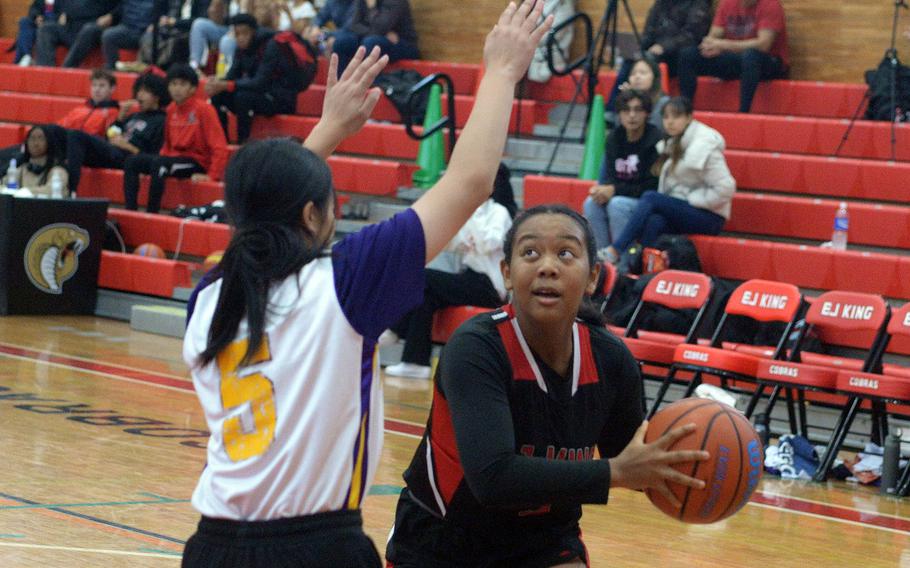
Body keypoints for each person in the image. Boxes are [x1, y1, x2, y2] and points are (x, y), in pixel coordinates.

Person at [180, 3, 553, 565]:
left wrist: (329, 129)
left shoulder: (208, 296)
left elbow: (260, 216)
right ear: (312, 217)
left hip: (210, 548)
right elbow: (472, 181)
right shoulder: (345, 281)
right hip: (312, 547)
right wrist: (501, 72)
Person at [385, 204, 709, 567]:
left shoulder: (612, 360)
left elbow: (633, 460)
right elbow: (494, 479)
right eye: (530, 253)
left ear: (592, 277)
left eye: (566, 253)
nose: (547, 266)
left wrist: (698, 462)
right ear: (507, 273)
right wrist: (615, 473)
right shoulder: (475, 347)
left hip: (544, 542)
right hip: (444, 541)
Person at [383, 165, 515, 380]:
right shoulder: (470, 212)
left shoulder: (498, 212)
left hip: (490, 285)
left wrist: (472, 231)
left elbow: (491, 242)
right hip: (470, 277)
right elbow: (454, 243)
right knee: (424, 296)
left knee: (424, 278)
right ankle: (415, 362)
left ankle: (396, 327)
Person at [601, 97, 736, 263]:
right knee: (654, 222)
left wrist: (694, 200)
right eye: (666, 117)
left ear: (688, 118)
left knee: (651, 197)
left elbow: (726, 188)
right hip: (688, 210)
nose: (670, 122)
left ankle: (617, 249)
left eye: (676, 117)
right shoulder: (672, 143)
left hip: (710, 216)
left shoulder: (704, 146)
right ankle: (644, 272)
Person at [122, 63, 228, 213]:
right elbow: (167, 144)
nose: (177, 89)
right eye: (173, 84)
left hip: (196, 161)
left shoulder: (204, 109)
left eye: (182, 84)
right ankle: (130, 210)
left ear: (192, 88)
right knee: (133, 161)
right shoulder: (171, 109)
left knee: (159, 164)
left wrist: (212, 176)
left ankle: (152, 213)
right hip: (172, 159)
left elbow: (219, 146)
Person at [206, 13, 314, 143]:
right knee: (218, 95)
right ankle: (221, 140)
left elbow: (260, 82)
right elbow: (232, 76)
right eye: (237, 34)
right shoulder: (241, 49)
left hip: (279, 98)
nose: (240, 38)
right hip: (258, 94)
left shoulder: (271, 46)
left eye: (244, 33)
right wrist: (217, 83)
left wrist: (226, 85)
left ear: (253, 32)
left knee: (243, 97)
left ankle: (243, 143)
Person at [584, 89, 662, 257]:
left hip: (644, 202)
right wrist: (602, 191)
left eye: (637, 110)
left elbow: (652, 186)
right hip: (621, 194)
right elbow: (610, 176)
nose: (632, 115)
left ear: (647, 113)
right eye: (626, 110)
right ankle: (600, 258)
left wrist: (614, 190)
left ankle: (623, 262)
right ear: (619, 114)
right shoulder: (614, 137)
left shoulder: (655, 139)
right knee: (591, 203)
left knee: (617, 204)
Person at [678, 0, 789, 113]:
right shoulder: (727, 3)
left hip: (769, 62)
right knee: (688, 55)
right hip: (738, 59)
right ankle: (685, 109)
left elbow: (764, 45)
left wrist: (724, 45)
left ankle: (743, 113)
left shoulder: (770, 5)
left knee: (751, 56)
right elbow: (712, 37)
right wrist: (710, 46)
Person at [66, 73, 169, 195]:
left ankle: (71, 191)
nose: (139, 95)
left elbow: (154, 157)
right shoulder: (133, 116)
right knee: (58, 136)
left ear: (157, 96)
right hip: (112, 152)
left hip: (128, 158)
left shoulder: (162, 121)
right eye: (138, 91)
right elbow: (110, 134)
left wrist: (127, 146)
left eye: (145, 91)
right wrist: (119, 119)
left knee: (76, 136)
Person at [0, 68, 119, 171]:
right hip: (60, 145)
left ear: (112, 89)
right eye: (94, 85)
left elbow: (104, 141)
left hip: (81, 150)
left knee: (30, 149)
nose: (97, 89)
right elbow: (60, 126)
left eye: (102, 86)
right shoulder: (80, 109)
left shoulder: (113, 113)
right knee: (11, 152)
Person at [605, 0, 711, 111]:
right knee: (631, 59)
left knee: (648, 60)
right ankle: (614, 108)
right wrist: (636, 47)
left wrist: (664, 47)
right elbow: (649, 31)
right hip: (656, 51)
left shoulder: (698, 3)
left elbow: (692, 36)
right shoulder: (661, 3)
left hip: (679, 57)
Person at [333, 0, 419, 74]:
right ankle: (341, 84)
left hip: (403, 45)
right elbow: (354, 25)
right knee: (342, 42)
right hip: (373, 37)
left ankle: (370, 86)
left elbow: (381, 27)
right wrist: (374, 32)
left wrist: (372, 7)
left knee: (371, 43)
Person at [34, 0, 120, 68]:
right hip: (71, 25)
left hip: (96, 25)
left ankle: (66, 69)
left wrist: (111, 16)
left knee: (89, 29)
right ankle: (46, 70)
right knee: (46, 29)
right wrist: (62, 13)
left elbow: (123, 5)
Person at [607, 55, 670, 131]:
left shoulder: (663, 102)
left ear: (654, 77)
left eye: (643, 73)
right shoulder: (626, 98)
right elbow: (618, 128)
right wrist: (624, 100)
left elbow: (655, 129)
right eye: (633, 73)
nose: (637, 76)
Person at [10, 125, 68, 197]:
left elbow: (51, 190)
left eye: (41, 139)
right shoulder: (22, 169)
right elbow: (6, 184)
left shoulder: (58, 170)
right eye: (32, 138)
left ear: (49, 142)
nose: (36, 143)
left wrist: (26, 191)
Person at [14, 0, 66, 66]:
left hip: (53, 29)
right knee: (24, 22)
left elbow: (64, 16)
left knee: (45, 30)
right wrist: (37, 16)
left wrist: (45, 20)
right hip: (39, 25)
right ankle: (26, 55)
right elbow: (33, 9)